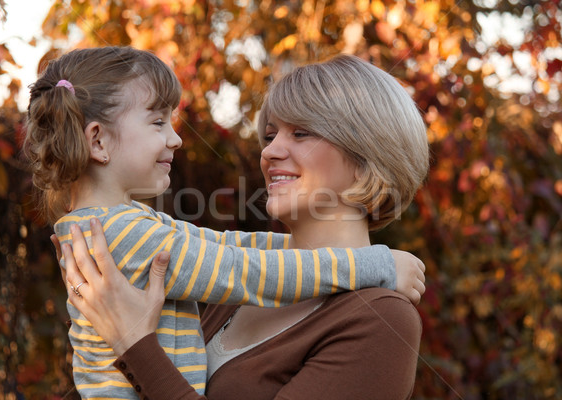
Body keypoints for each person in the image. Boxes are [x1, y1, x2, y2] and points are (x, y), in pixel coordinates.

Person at [24, 47, 425, 399]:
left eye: (302, 133)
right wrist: (379, 264)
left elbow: (233, 251)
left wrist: (134, 343)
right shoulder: (221, 291)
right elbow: (237, 257)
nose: (270, 152)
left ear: (366, 158)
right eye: (270, 135)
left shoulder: (379, 320)